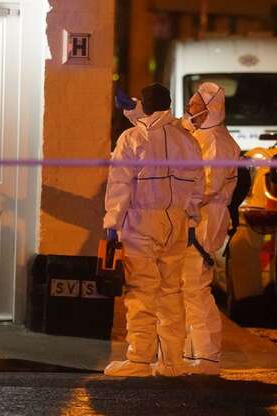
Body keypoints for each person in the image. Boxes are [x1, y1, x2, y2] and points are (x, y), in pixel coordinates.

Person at [103, 83, 205, 377]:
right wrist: (191, 218)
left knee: (142, 292)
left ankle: (139, 360)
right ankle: (172, 361)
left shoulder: (132, 138)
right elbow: (198, 185)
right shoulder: (187, 140)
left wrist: (113, 223)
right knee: (172, 292)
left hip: (141, 220)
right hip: (176, 221)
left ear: (145, 106)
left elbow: (120, 184)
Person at [180, 82, 241, 375]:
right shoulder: (202, 136)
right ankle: (196, 352)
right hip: (196, 217)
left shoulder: (216, 141)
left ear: (208, 108)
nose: (189, 108)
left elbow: (207, 185)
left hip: (204, 220)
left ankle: (207, 355)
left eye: (193, 104)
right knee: (188, 287)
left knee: (195, 287)